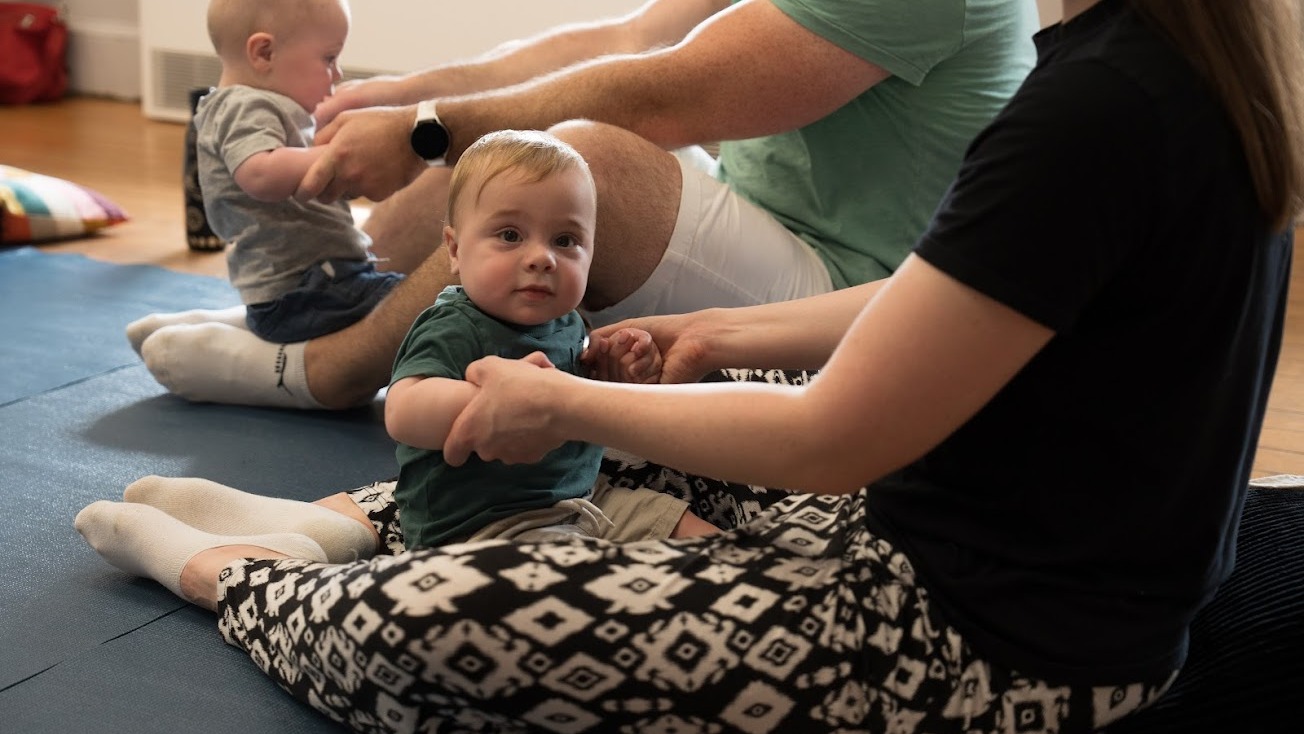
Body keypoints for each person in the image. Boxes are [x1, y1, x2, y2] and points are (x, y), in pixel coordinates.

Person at [74, 0, 1304, 730]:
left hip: (990, 652)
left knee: (446, 633)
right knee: (641, 438)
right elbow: (950, 300)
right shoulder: (1146, 64)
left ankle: (244, 573)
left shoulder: (1092, 110)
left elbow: (834, 439)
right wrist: (718, 340)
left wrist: (559, 392)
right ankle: (343, 521)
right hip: (985, 554)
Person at [128, 0, 1039, 410]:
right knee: (489, 155)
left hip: (855, 299)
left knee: (574, 157)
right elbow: (628, 37)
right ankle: (317, 312)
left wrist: (421, 127)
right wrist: (404, 101)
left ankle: (330, 372)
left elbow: (661, 96)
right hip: (774, 226)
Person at [388, 128, 717, 547]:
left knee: (691, 530)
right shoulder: (454, 325)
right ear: (455, 250)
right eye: (510, 235)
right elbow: (402, 411)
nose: (542, 258)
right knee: (577, 579)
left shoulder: (571, 324)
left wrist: (619, 376)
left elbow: (589, 411)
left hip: (586, 502)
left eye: (566, 241)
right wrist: (494, 403)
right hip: (483, 526)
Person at [128, 0, 403, 407]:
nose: (337, 72)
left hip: (313, 283)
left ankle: (229, 326)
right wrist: (335, 158)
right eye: (328, 58)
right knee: (416, 307)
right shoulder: (244, 106)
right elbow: (258, 173)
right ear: (264, 53)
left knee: (401, 296)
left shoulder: (264, 106)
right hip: (308, 290)